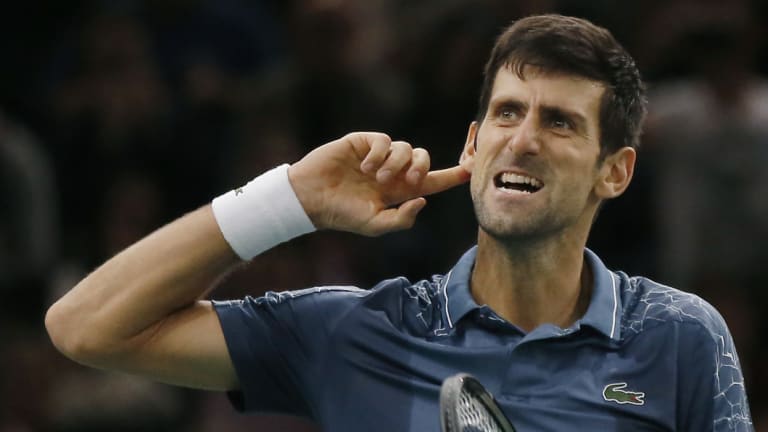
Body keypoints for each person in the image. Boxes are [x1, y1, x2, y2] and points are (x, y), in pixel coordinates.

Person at [45, 14, 753, 431]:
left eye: (560, 122)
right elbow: (84, 325)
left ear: (615, 171)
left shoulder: (678, 335)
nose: (524, 138)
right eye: (507, 113)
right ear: (473, 147)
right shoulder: (353, 332)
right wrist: (288, 199)